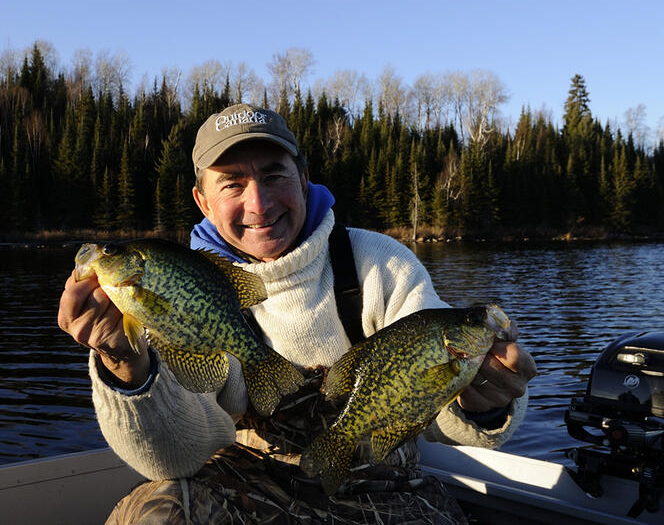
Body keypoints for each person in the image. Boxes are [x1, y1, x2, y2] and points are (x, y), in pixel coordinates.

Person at [58, 103, 537, 523]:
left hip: (384, 491)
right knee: (153, 516)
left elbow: (434, 412)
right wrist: (125, 365)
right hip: (249, 491)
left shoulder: (379, 264)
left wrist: (484, 400)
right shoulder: (179, 289)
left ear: (303, 176)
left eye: (273, 174)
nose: (259, 203)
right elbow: (179, 457)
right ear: (202, 201)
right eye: (232, 184)